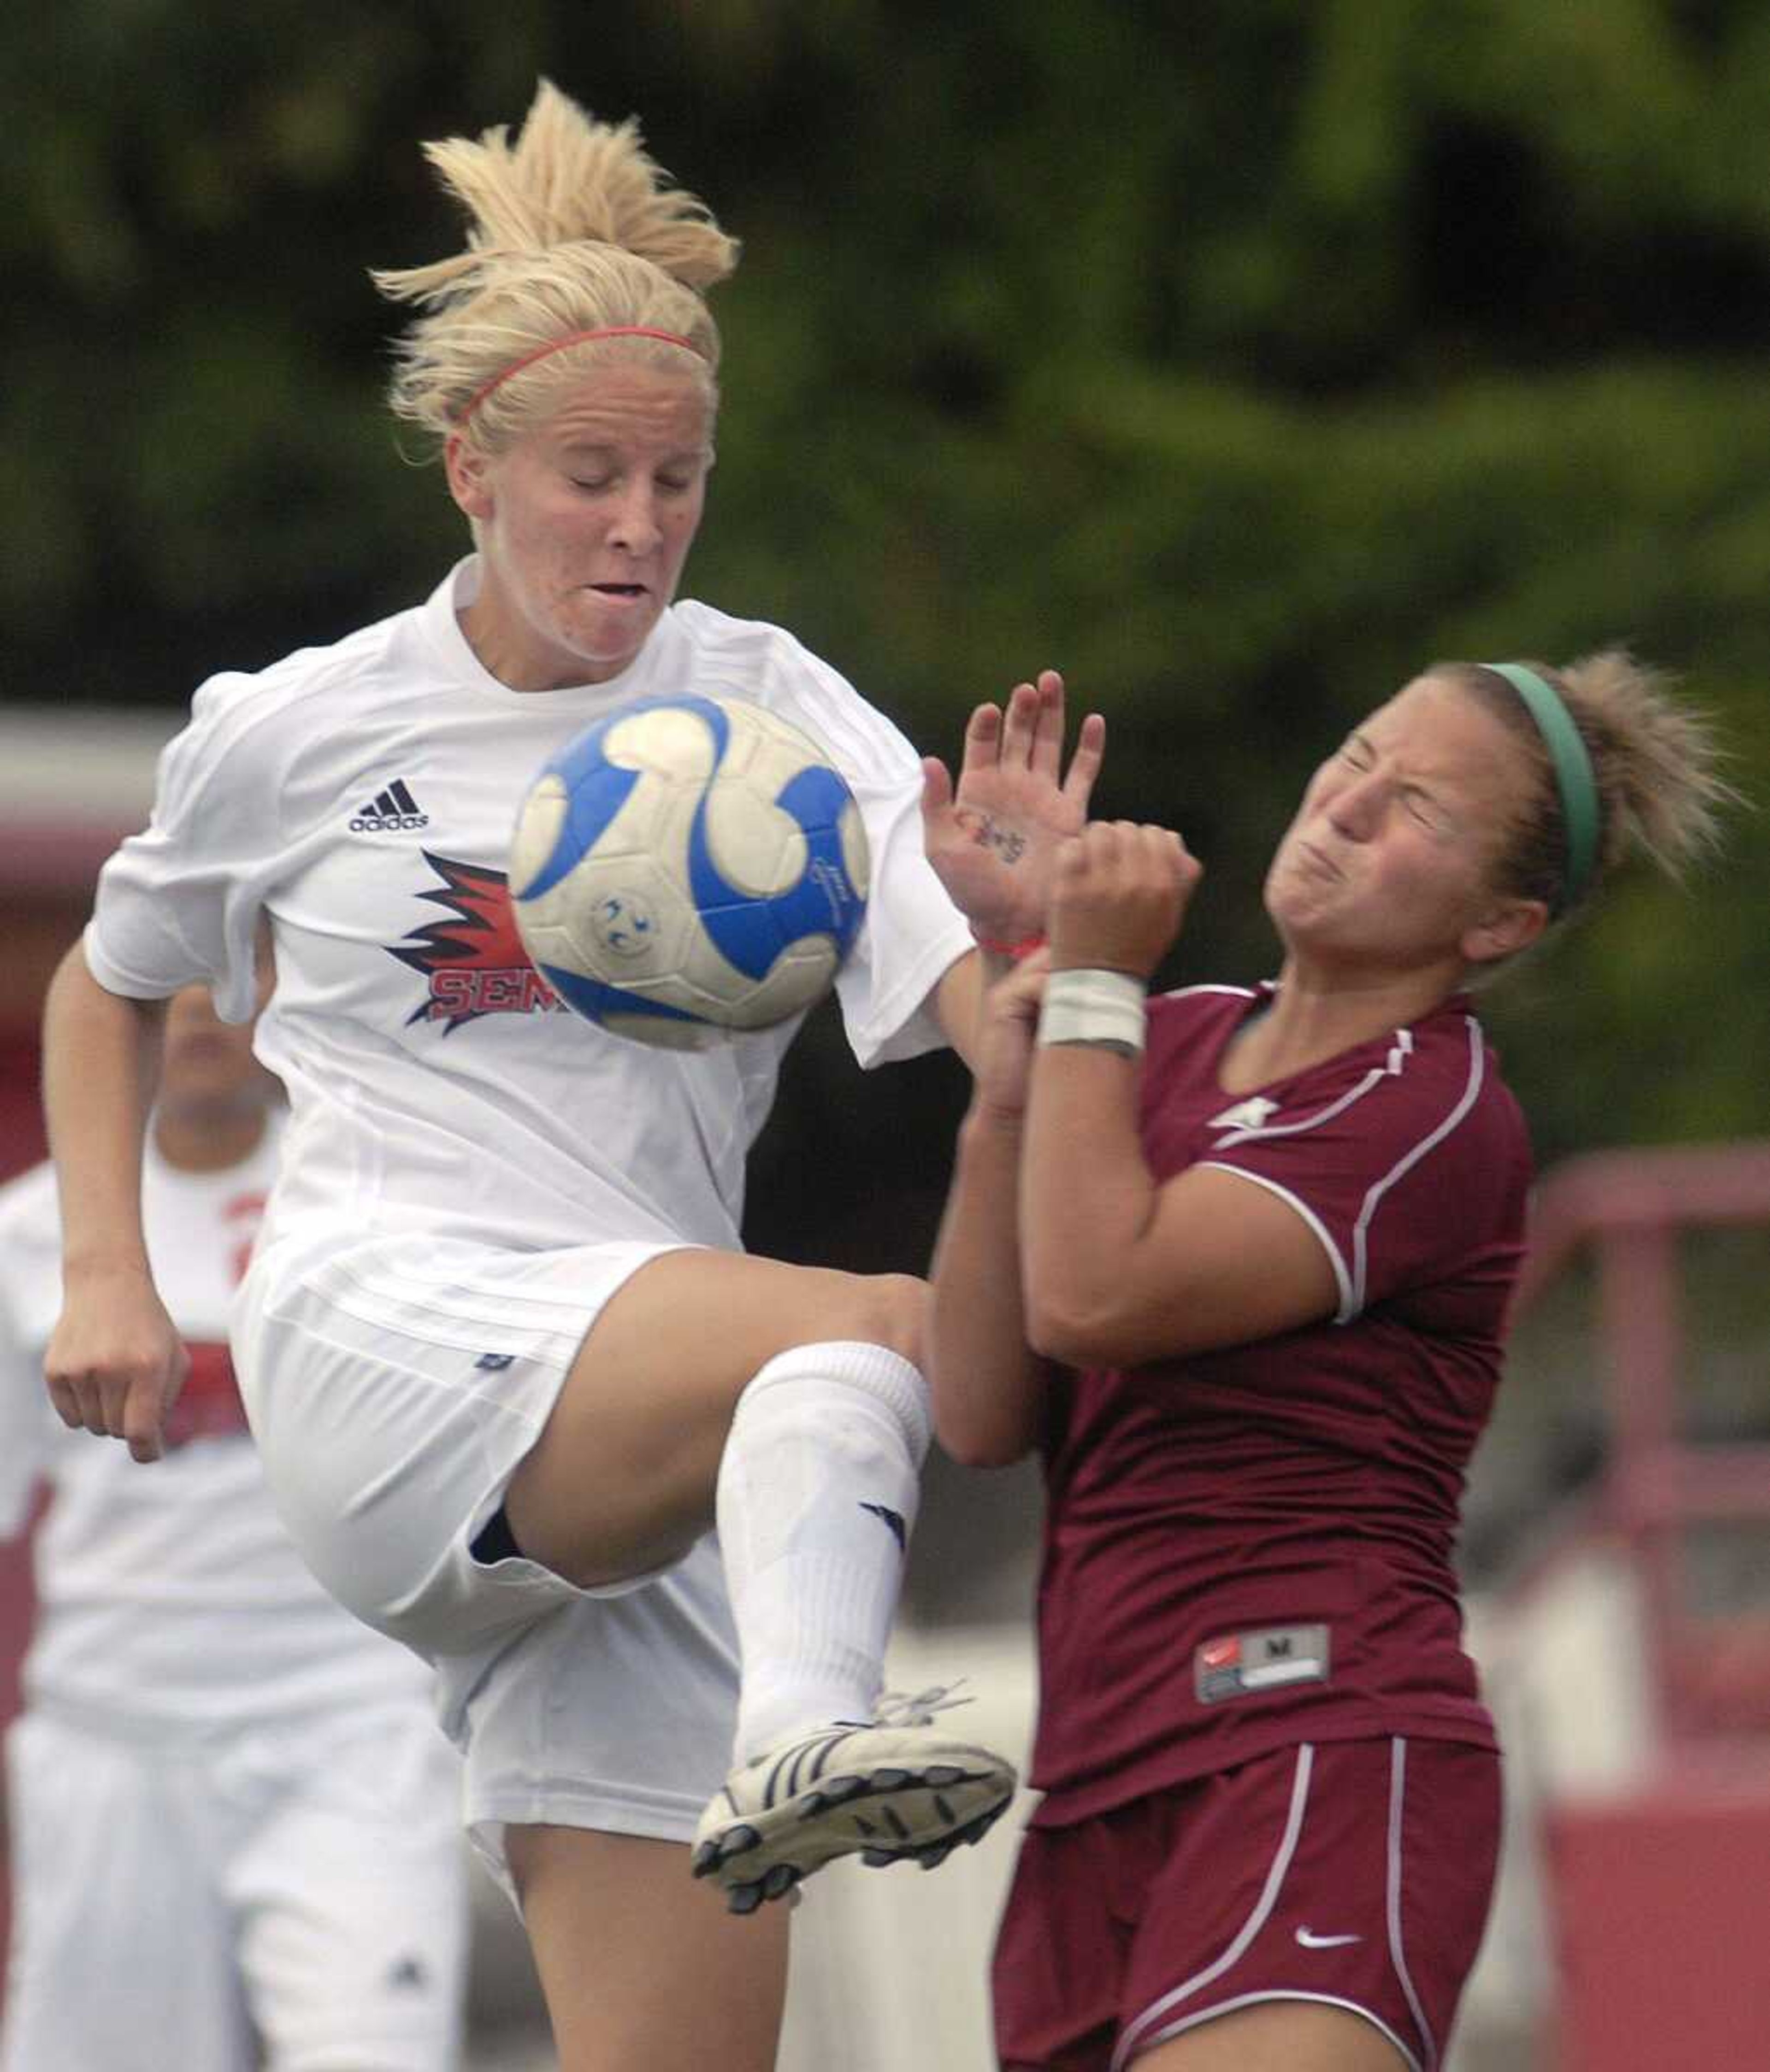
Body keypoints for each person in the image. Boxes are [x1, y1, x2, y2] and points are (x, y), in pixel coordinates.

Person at [37, 80, 1100, 2072]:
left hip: (644, 1443)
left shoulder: (779, 714)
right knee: (874, 1336)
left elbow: (989, 1028)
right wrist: (111, 1264)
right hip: (386, 1328)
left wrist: (1030, 941)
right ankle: (813, 1732)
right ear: (472, 470)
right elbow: (109, 981)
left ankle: (789, 1719)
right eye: (593, 474)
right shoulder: (297, 727)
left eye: (680, 480)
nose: (639, 526)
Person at [922, 652, 1730, 2072]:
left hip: (1316, 1741)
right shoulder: (1156, 1042)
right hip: (1098, 1780)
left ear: (1502, 920)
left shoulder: (1430, 1109)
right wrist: (1016, 1067)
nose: (1350, 807)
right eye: (1361, 756)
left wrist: (1094, 985)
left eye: (1421, 805)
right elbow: (987, 1410)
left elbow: (1101, 1296)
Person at [0, 978, 467, 2072]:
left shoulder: (381, 1205)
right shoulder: (26, 1234)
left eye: (235, 982)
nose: (201, 1016)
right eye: (164, 988)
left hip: (353, 1727)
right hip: (114, 1736)